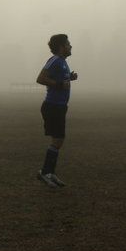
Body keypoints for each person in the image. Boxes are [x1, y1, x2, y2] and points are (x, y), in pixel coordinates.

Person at [35, 34, 78, 188]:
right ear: (61, 47)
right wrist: (59, 85)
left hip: (59, 106)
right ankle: (45, 173)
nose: (71, 46)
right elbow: (40, 79)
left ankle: (49, 172)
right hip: (52, 106)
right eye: (68, 44)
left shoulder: (63, 63)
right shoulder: (55, 60)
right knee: (57, 140)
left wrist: (70, 78)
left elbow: (60, 80)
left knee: (58, 141)